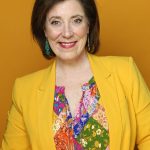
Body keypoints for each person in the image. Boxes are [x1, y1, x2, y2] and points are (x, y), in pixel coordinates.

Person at [1, 0, 150, 149]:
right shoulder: (24, 91)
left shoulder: (125, 71)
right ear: (44, 29)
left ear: (88, 25)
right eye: (55, 22)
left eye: (76, 20)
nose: (67, 33)